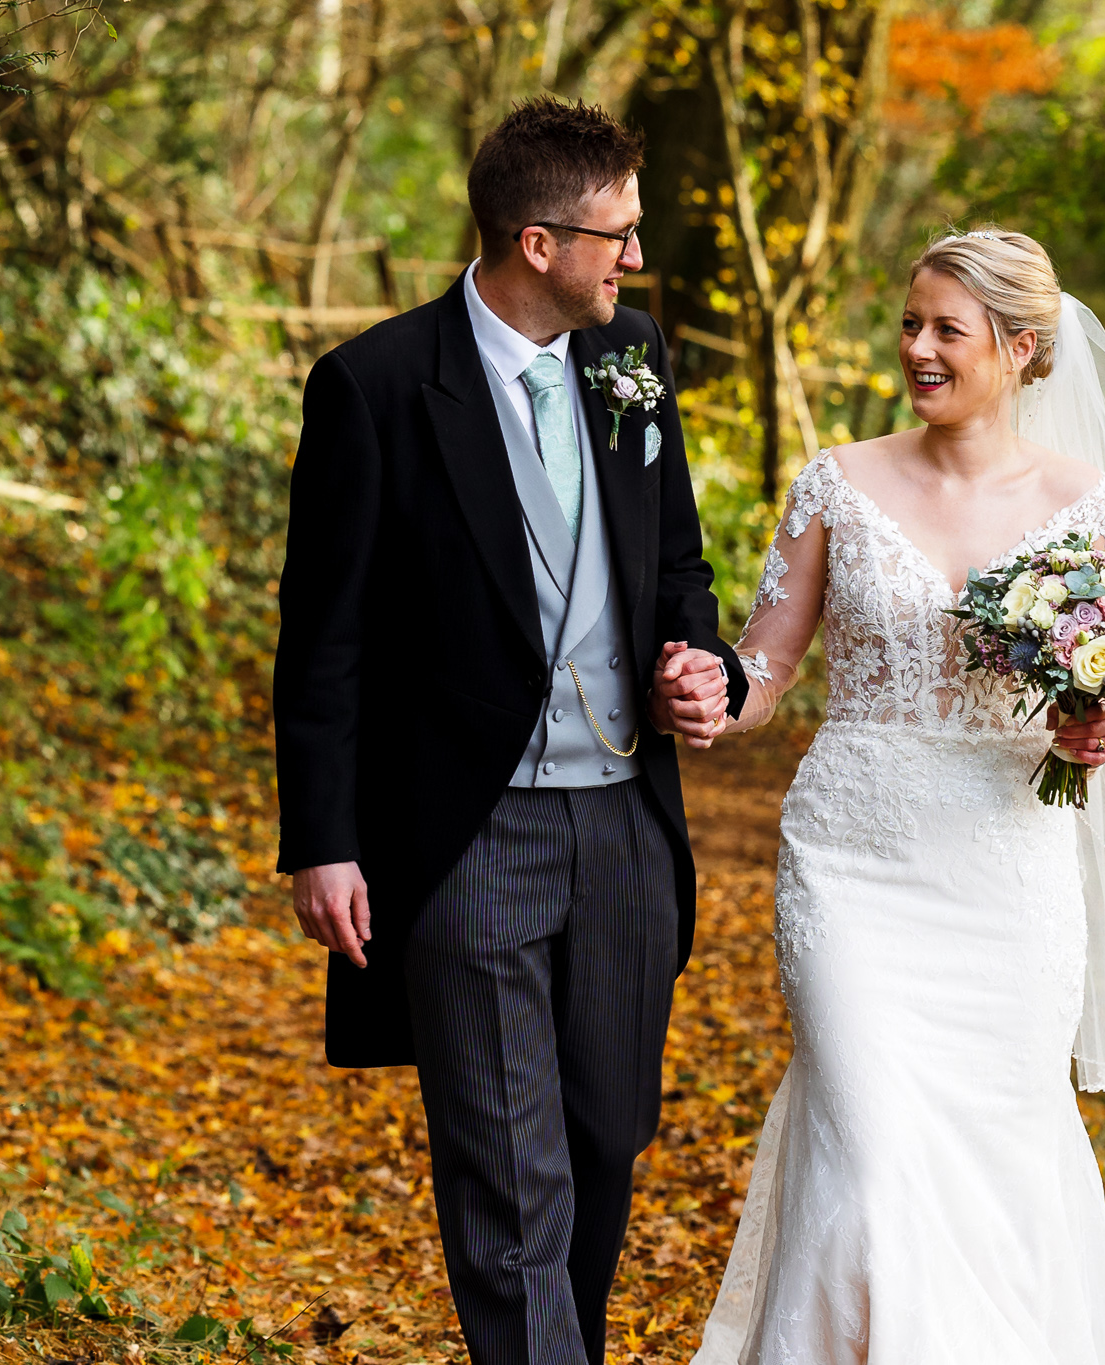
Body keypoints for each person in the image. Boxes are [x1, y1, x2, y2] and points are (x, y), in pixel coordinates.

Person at [271, 99, 739, 1365]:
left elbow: (678, 568)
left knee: (602, 1136)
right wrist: (323, 841)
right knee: (508, 1169)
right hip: (468, 828)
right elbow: (324, 642)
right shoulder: (373, 388)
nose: (634, 260)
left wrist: (694, 662)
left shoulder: (632, 355)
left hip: (628, 828)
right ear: (538, 244)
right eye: (617, 237)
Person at [693, 227, 1105, 1363]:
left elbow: (1103, 697)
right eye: (908, 323)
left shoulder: (1084, 509)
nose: (915, 347)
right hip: (851, 863)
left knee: (997, 1158)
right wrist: (714, 693)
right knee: (866, 1166)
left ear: (1018, 349)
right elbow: (765, 668)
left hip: (1005, 876)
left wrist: (1089, 723)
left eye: (943, 330)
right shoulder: (837, 482)